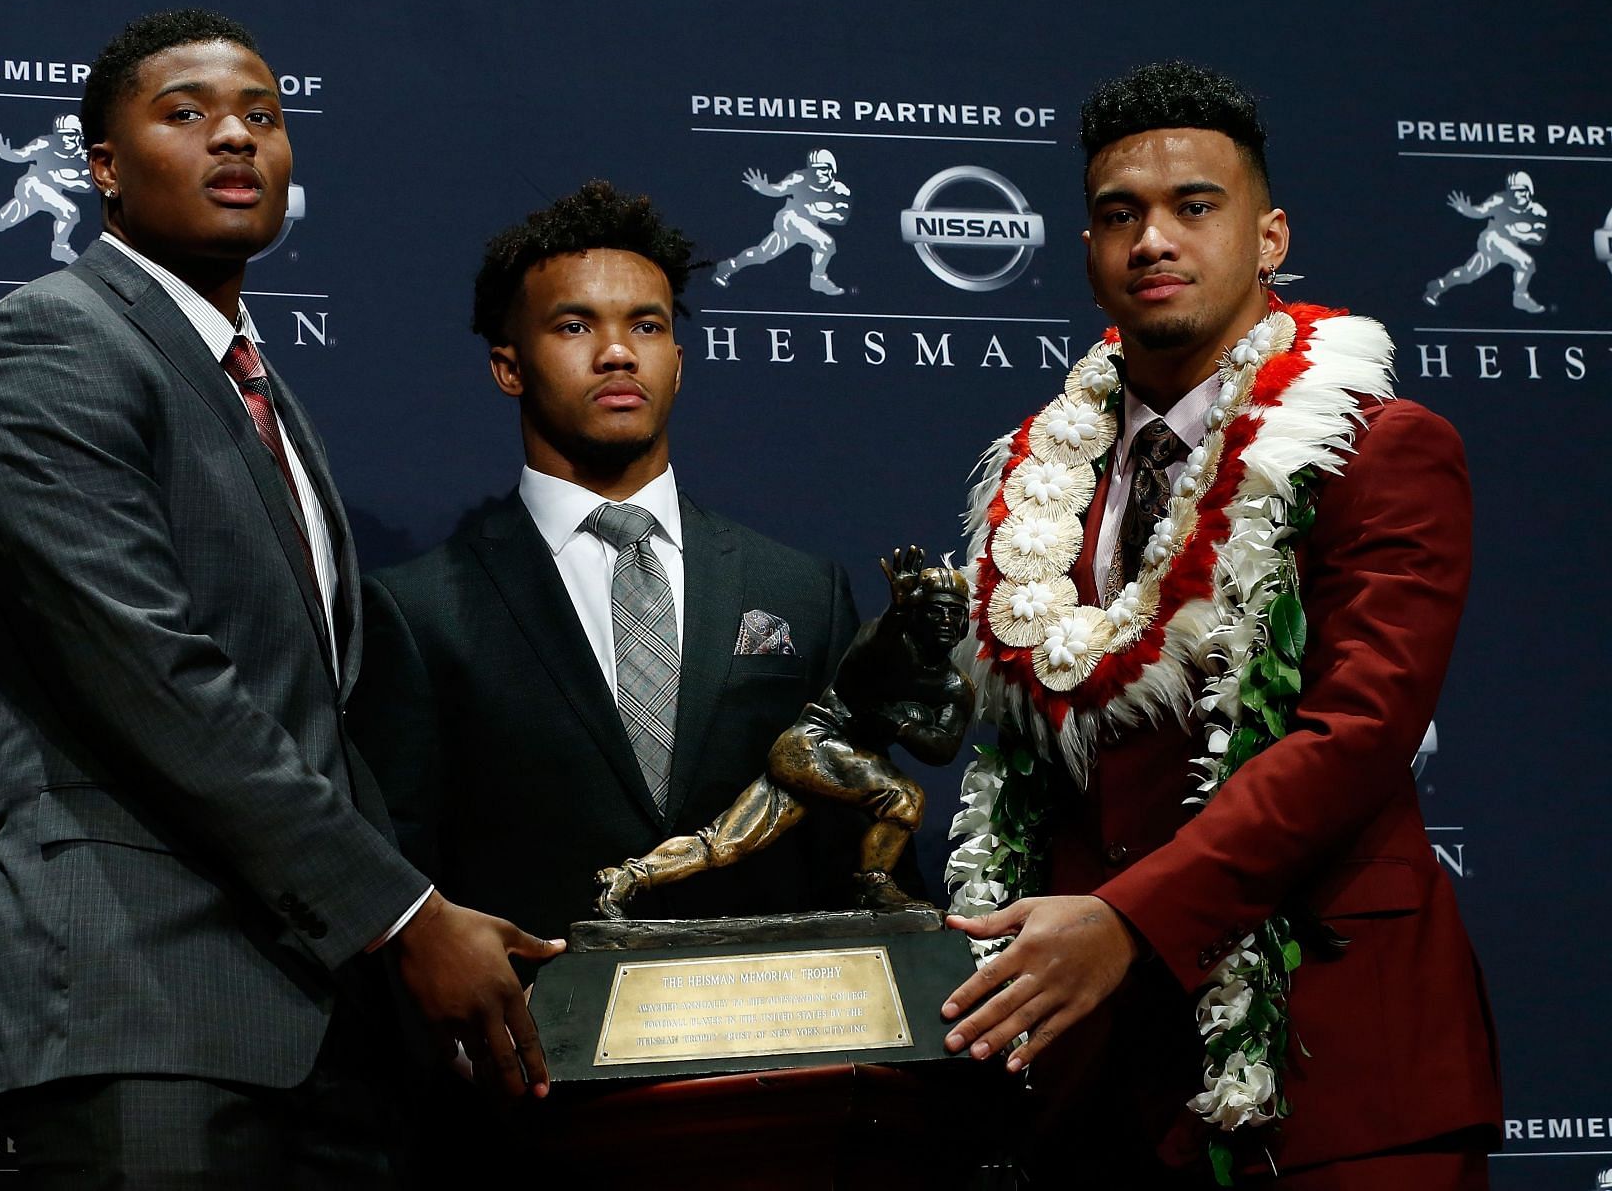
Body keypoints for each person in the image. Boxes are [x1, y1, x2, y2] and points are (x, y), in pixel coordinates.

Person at [0, 9, 556, 1188]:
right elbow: (154, 680)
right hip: (147, 1002)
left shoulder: (258, 379)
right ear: (101, 169)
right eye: (188, 114)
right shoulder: (54, 342)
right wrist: (407, 915)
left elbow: (314, 713)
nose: (236, 138)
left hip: (319, 1017)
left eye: (262, 117)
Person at [938, 62, 1501, 1186]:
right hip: (1095, 1084)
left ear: (1269, 234)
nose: (1153, 239)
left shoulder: (1378, 446)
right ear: (1089, 249)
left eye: (1195, 206)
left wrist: (1126, 921)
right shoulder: (1037, 477)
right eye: (1119, 215)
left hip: (1333, 1059)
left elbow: (1356, 735)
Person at [348, 179, 865, 958]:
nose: (618, 351)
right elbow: (400, 880)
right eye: (574, 324)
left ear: (679, 363)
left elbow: (853, 849)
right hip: (532, 1055)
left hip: (777, 1050)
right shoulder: (419, 613)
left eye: (646, 325)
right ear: (508, 368)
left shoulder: (803, 592)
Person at [594, 546, 972, 918]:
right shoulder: (889, 645)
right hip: (814, 745)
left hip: (826, 765)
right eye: (934, 610)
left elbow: (942, 749)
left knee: (724, 844)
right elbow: (871, 651)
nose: (944, 620)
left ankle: (628, 876)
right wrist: (897, 611)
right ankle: (872, 883)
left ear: (965, 622)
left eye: (954, 613)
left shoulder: (954, 687)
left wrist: (899, 725)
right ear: (915, 614)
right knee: (904, 797)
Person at [0, 114, 93, 263]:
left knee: (0, 222)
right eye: (61, 135)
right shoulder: (44, 143)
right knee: (70, 211)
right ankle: (60, 248)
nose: (65, 139)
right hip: (32, 186)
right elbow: (21, 155)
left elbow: (87, 186)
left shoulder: (84, 156)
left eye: (70, 135)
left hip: (51, 192)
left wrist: (59, 178)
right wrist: (6, 154)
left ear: (79, 135)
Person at [711, 148, 852, 295]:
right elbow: (778, 189)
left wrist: (816, 212)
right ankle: (818, 279)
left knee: (761, 254)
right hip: (790, 219)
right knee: (826, 243)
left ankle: (729, 266)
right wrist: (764, 188)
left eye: (822, 169)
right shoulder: (800, 178)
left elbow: (841, 218)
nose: (818, 173)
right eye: (814, 169)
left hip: (807, 225)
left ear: (831, 169)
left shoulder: (840, 191)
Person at [1422, 170, 1549, 313]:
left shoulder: (1538, 212)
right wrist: (1467, 210)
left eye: (1520, 190)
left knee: (1467, 274)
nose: (1515, 194)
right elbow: (1481, 211)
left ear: (1528, 190)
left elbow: (1539, 238)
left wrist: (1517, 233)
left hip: (1508, 245)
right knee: (1526, 262)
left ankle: (1439, 285)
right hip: (1492, 239)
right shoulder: (1500, 199)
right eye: (1512, 191)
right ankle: (1520, 297)